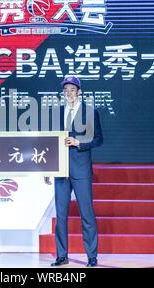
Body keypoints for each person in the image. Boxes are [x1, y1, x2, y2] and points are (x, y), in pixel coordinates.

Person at [50, 75, 103, 267]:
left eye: (72, 90)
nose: (69, 93)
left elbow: (98, 139)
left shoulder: (90, 112)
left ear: (79, 91)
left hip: (81, 169)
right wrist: (49, 168)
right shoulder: (57, 113)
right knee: (61, 216)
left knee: (87, 214)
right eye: (65, 90)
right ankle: (61, 256)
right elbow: (52, 142)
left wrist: (79, 143)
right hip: (61, 170)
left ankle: (92, 256)